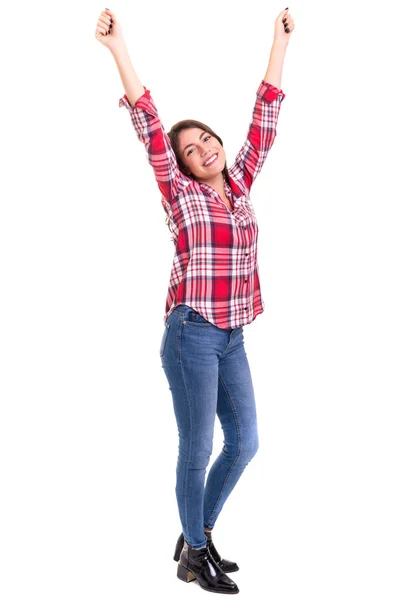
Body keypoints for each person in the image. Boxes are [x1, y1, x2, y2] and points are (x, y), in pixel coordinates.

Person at [95, 6, 294, 594]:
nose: (203, 147)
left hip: (232, 334)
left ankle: (194, 538)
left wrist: (278, 45)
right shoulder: (178, 193)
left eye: (207, 137)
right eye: (191, 147)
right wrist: (118, 50)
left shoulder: (238, 186)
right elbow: (151, 126)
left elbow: (265, 121)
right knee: (198, 445)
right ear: (180, 164)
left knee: (247, 441)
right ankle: (197, 552)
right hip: (191, 333)